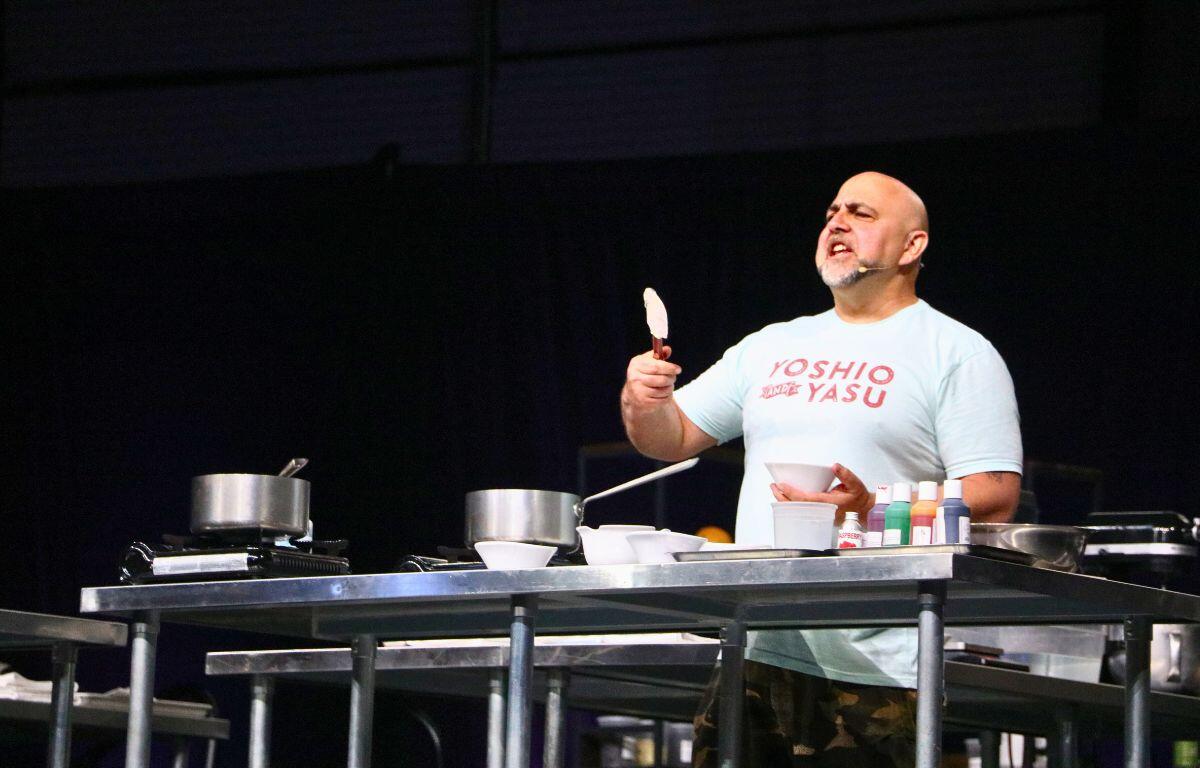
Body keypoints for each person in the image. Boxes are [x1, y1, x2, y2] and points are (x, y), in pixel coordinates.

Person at [620, 172, 1022, 768]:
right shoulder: (773, 345)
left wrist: (868, 505)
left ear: (912, 247)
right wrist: (641, 399)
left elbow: (994, 497)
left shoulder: (955, 351)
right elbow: (671, 436)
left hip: (875, 663)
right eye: (832, 211)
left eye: (860, 214)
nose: (836, 224)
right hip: (753, 645)